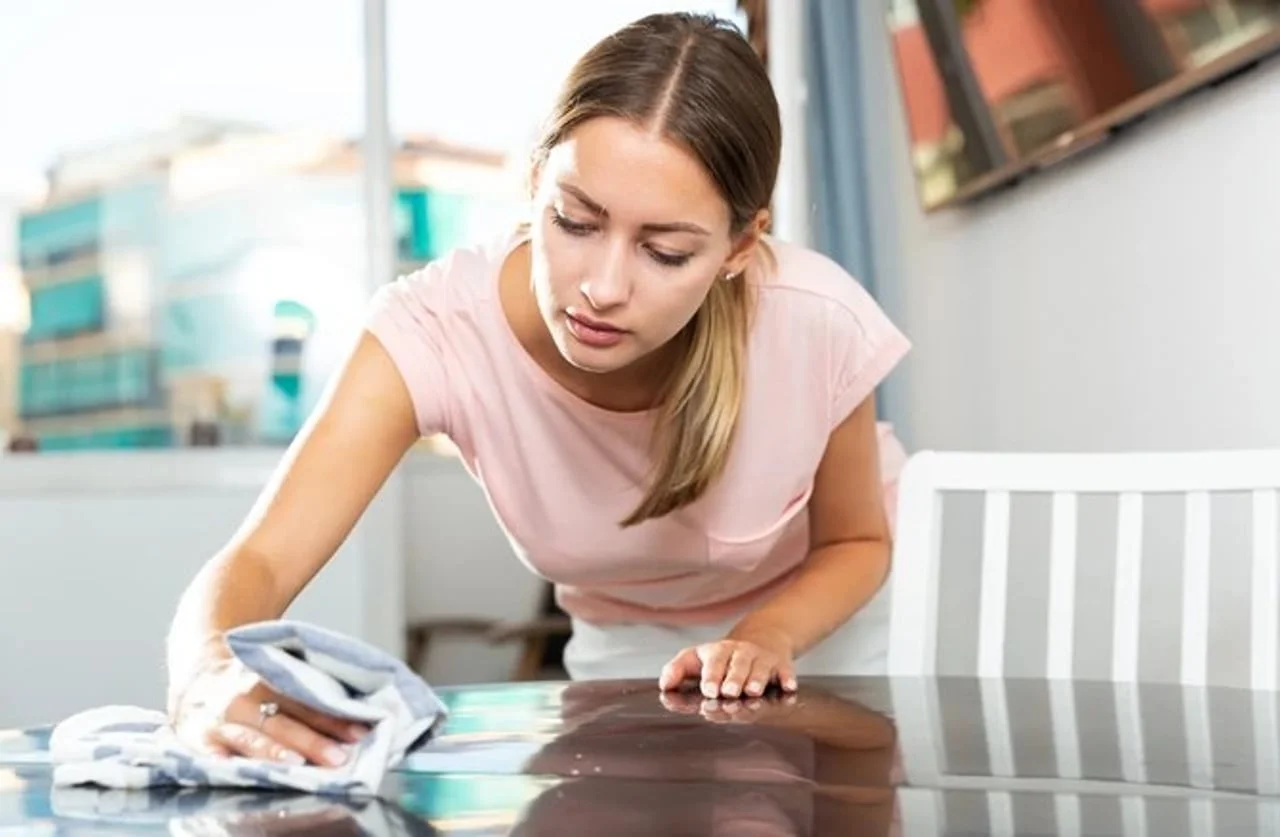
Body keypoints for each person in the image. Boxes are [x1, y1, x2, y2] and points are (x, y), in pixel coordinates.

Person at [164, 11, 911, 770]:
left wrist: (765, 635)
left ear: (739, 248)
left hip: (824, 628)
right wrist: (204, 674)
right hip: (626, 646)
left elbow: (857, 539)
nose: (602, 288)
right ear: (534, 183)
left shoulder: (816, 321)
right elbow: (259, 559)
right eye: (574, 221)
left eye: (664, 251)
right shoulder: (436, 330)